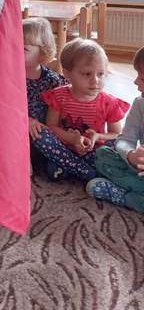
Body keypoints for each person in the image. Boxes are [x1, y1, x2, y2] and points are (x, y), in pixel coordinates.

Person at [33, 38, 130, 182]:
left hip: (94, 151)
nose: (95, 80)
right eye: (86, 74)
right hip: (64, 148)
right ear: (67, 74)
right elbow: (51, 127)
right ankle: (86, 172)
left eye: (100, 74)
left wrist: (98, 136)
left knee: (118, 145)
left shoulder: (110, 102)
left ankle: (68, 167)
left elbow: (116, 134)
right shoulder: (58, 96)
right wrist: (73, 139)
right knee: (40, 135)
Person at [87, 46, 144, 213]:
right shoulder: (140, 104)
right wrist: (131, 155)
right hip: (137, 169)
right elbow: (124, 139)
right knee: (102, 154)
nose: (135, 82)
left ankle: (126, 197)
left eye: (142, 78)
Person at [23, 17, 67, 171]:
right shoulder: (6, 76)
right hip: (12, 129)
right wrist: (23, 120)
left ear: (42, 53)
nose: (14, 51)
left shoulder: (53, 82)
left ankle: (47, 161)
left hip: (38, 136)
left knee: (43, 143)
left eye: (24, 49)